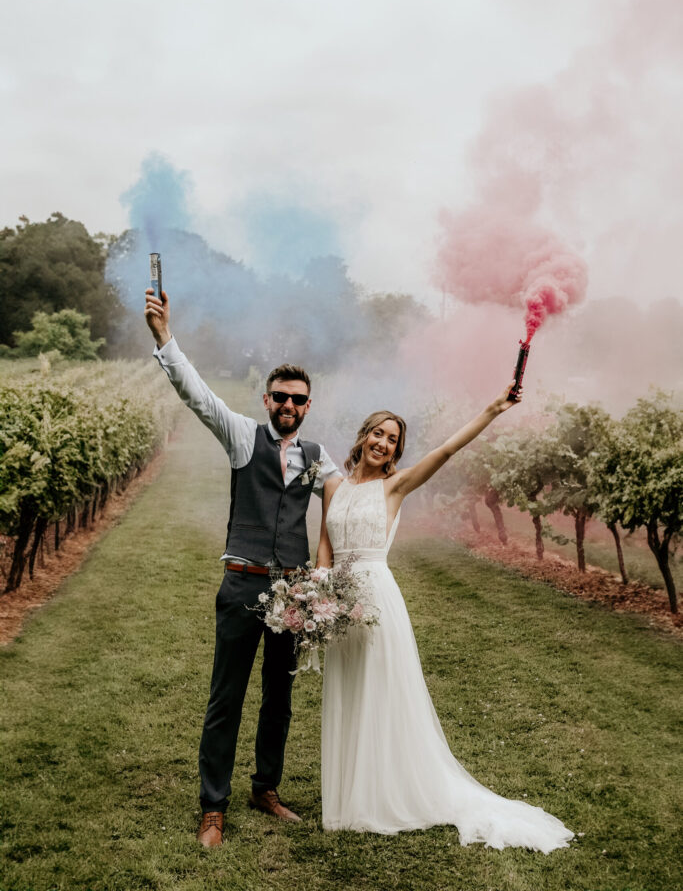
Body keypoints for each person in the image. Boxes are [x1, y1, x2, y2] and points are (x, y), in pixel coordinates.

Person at [315, 386, 575, 851]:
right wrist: (318, 591)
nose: (384, 444)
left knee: (379, 695)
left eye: (393, 440)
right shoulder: (332, 485)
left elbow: (448, 449)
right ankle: (350, 797)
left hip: (375, 597)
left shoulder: (394, 486)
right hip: (336, 599)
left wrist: (493, 408)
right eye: (378, 433)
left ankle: (381, 796)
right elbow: (325, 544)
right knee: (347, 691)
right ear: (362, 437)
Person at [144, 289, 341, 848]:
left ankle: (266, 787)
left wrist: (321, 575)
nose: (289, 406)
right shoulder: (242, 436)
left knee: (279, 699)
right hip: (242, 586)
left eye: (299, 400)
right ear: (266, 398)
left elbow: (346, 503)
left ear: (308, 406)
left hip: (293, 597)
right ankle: (213, 807)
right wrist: (164, 337)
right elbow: (196, 394)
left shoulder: (318, 455)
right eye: (280, 397)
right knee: (225, 697)